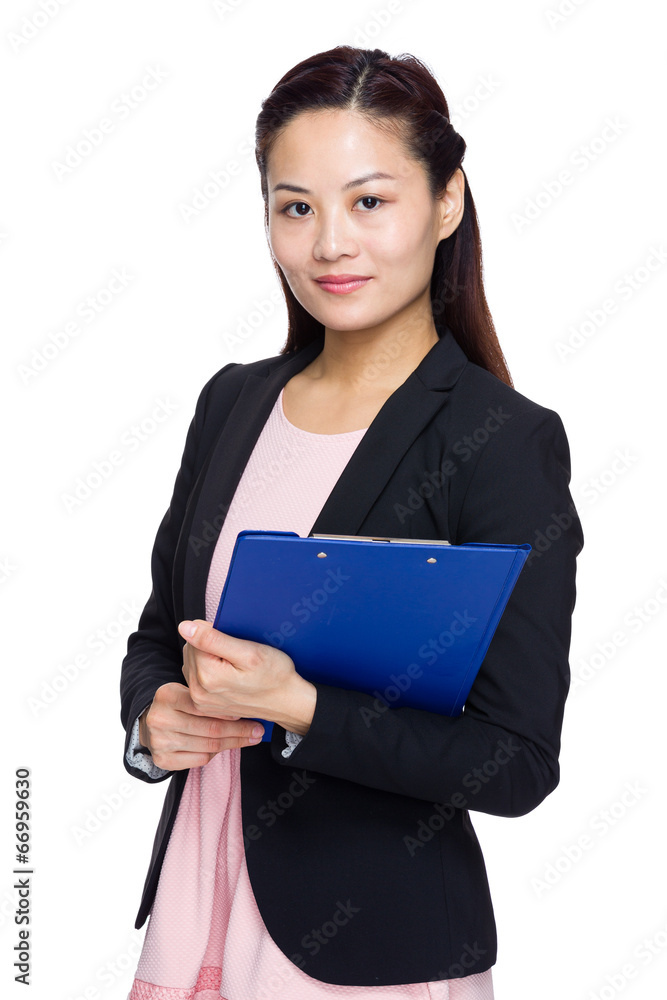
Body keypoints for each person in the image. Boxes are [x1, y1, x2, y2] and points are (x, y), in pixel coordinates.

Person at [120, 45, 583, 999]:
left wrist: (303, 710)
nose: (328, 243)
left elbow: (516, 763)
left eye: (369, 201)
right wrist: (150, 720)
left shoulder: (498, 440)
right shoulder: (234, 403)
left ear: (446, 200)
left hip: (366, 955)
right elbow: (161, 634)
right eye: (295, 207)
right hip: (191, 916)